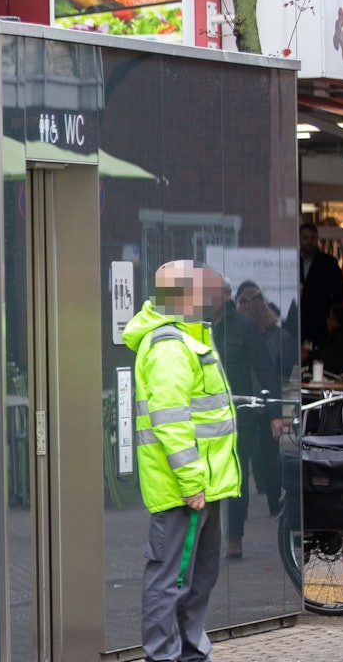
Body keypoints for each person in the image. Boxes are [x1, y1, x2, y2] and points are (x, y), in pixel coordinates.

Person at [123, 261, 240, 662]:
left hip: (201, 486)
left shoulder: (188, 339)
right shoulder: (170, 346)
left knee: (197, 579)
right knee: (171, 581)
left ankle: (190, 653)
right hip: (184, 490)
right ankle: (166, 656)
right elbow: (172, 422)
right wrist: (192, 483)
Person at [209, 277, 276, 556]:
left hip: (240, 414)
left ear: (227, 296)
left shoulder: (245, 327)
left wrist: (275, 414)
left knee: (237, 475)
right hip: (207, 414)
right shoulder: (199, 328)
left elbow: (265, 369)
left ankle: (234, 535)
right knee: (210, 475)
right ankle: (211, 534)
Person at [295, 222, 343, 347]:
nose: (310, 242)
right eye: (306, 238)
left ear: (317, 239)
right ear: (299, 239)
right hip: (297, 321)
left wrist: (330, 313)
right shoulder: (292, 261)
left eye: (313, 238)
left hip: (320, 320)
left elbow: (340, 292)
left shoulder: (328, 263)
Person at [316, 304, 343, 376]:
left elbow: (332, 364)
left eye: (331, 318)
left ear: (340, 322)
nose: (327, 321)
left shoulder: (342, 342)